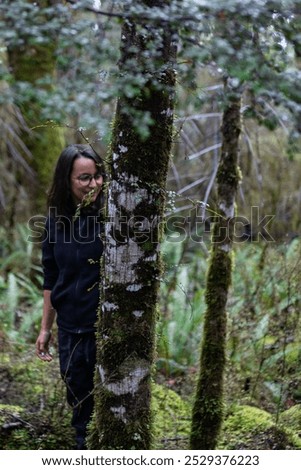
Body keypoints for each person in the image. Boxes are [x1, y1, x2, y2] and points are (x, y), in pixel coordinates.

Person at [35, 144, 106, 450]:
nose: (94, 184)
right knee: (81, 406)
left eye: (98, 176)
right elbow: (51, 278)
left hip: (108, 329)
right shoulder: (54, 222)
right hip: (71, 329)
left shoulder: (113, 218)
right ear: (67, 180)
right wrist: (45, 328)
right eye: (84, 178)